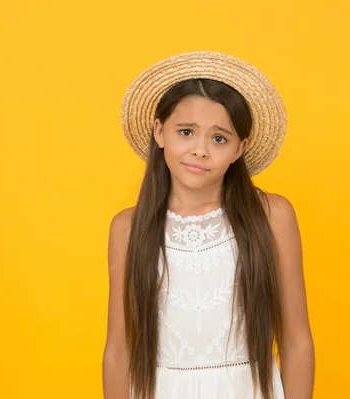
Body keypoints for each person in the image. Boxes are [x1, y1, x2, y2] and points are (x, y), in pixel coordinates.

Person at [103, 51, 315, 399]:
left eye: (219, 138)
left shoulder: (272, 216)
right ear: (159, 131)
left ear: (239, 148)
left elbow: (296, 342)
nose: (200, 150)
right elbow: (118, 352)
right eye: (186, 132)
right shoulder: (128, 228)